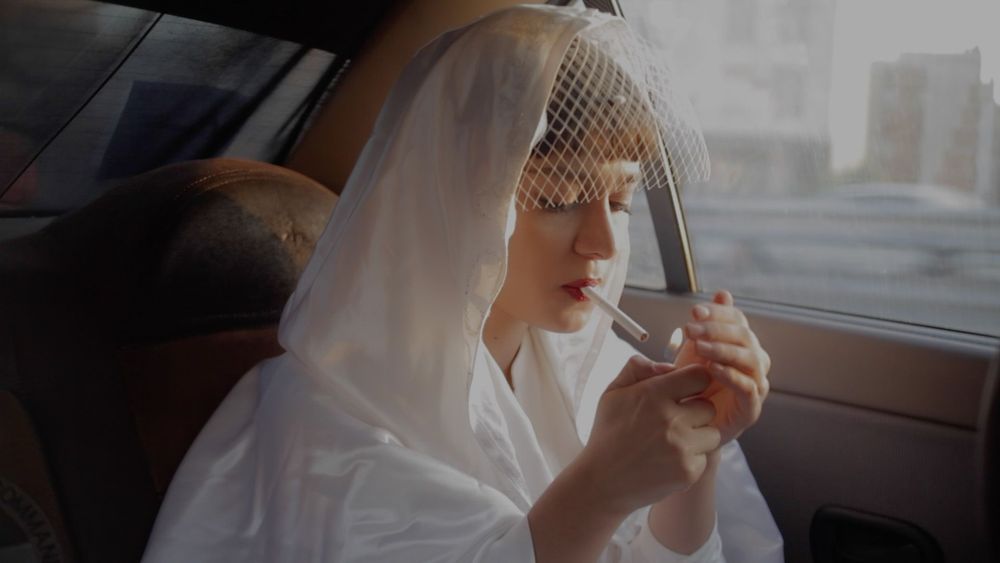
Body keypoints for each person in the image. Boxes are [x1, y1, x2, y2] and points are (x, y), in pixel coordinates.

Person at [142, 4, 783, 562]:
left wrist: (698, 451)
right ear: (454, 201)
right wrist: (602, 487)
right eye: (559, 197)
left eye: (619, 201)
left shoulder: (603, 379)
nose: (605, 243)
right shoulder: (329, 418)